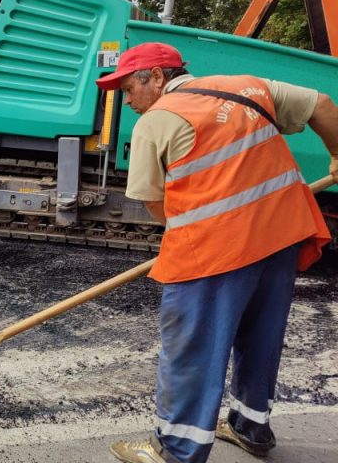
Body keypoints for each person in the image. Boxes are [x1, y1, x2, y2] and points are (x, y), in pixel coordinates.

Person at [97, 42, 336, 463]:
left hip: (216, 253)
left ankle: (176, 450)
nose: (125, 98)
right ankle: (250, 427)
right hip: (281, 236)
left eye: (128, 87)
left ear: (156, 77)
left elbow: (156, 203)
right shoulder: (247, 87)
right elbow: (321, 103)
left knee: (192, 349)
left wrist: (197, 230)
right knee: (261, 337)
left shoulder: (155, 122)